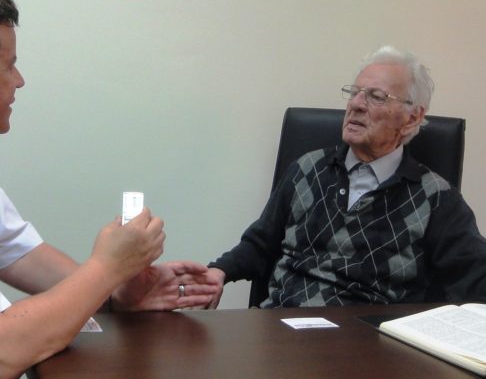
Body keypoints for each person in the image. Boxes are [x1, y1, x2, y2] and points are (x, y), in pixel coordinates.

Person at [0, 0, 218, 378]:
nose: (20, 80)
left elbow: (14, 248)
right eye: (9, 65)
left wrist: (116, 291)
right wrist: (107, 267)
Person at [205, 45, 486, 308]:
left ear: (411, 118)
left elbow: (475, 283)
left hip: (366, 339)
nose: (357, 104)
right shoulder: (308, 168)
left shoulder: (436, 198)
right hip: (279, 326)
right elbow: (260, 245)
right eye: (355, 93)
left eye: (376, 96)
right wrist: (218, 272)